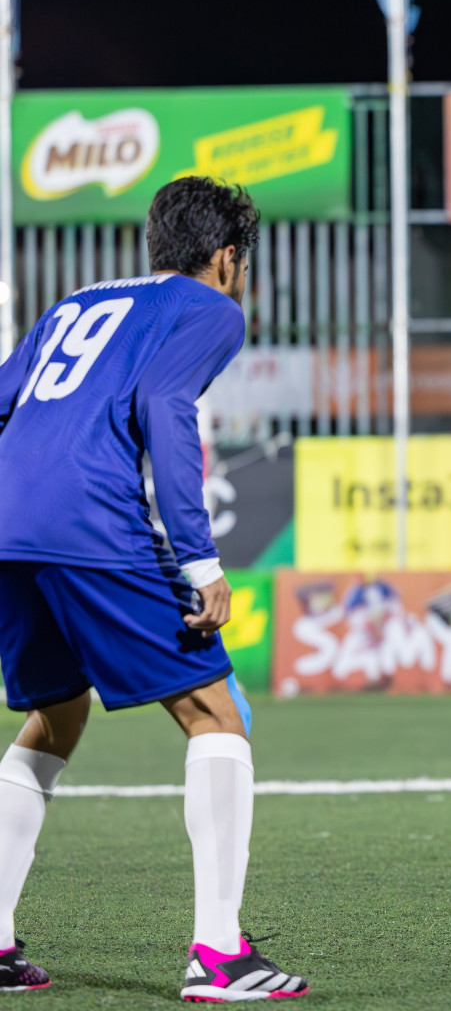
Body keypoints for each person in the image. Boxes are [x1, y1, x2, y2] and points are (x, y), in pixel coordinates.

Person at [0, 177, 309, 1000]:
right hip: (87, 520)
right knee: (217, 712)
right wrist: (202, 561)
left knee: (56, 713)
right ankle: (219, 955)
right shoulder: (210, 307)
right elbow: (164, 404)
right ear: (227, 257)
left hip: (7, 523)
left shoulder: (74, 303)